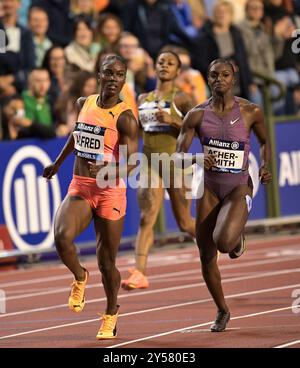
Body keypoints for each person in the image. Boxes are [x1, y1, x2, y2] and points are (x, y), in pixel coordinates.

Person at [42, 54, 139, 339]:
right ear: (99, 75)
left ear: (124, 79)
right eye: (108, 73)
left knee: (107, 262)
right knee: (61, 237)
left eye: (119, 75)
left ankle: (111, 313)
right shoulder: (84, 103)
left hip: (110, 191)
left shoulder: (126, 118)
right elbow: (77, 134)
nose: (113, 79)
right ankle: (79, 276)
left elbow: (134, 162)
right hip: (81, 184)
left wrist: (110, 168)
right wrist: (58, 163)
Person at [175, 58, 272, 332]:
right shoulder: (195, 115)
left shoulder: (251, 111)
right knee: (206, 254)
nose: (219, 79)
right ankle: (222, 310)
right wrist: (196, 158)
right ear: (208, 79)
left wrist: (265, 165)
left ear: (234, 77)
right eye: (214, 75)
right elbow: (177, 155)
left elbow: (265, 141)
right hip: (208, 188)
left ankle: (236, 232)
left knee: (224, 242)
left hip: (238, 185)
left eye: (225, 75)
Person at [121, 50, 196, 291]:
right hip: (150, 163)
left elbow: (201, 127)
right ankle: (140, 272)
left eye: (170, 63)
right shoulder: (143, 99)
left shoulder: (183, 98)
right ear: (154, 67)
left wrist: (173, 121)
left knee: (184, 223)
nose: (164, 65)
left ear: (177, 71)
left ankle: (213, 242)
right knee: (147, 217)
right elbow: (138, 132)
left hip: (175, 163)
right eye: (160, 61)